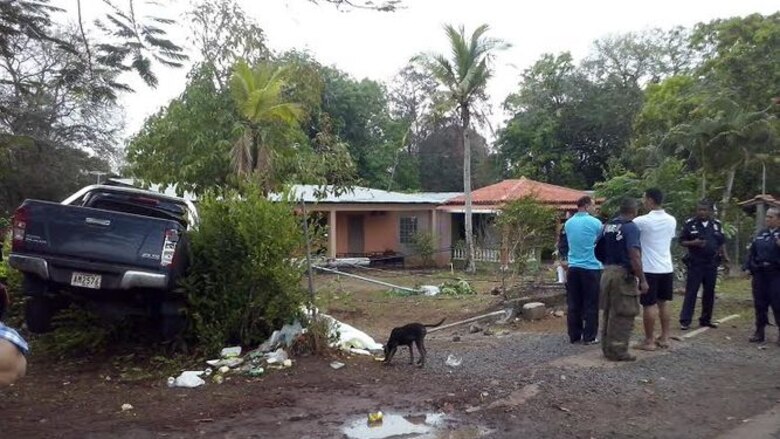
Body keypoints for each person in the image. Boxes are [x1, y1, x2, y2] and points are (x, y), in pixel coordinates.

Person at [596, 198, 648, 362]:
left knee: (609, 311)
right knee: (624, 312)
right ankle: (619, 350)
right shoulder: (630, 228)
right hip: (622, 274)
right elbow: (634, 255)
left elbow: (598, 249)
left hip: (607, 271)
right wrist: (642, 279)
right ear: (634, 211)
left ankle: (607, 348)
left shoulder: (608, 226)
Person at [633, 189, 677, 350]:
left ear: (651, 200)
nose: (643, 201)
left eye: (644, 198)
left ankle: (649, 340)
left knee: (649, 305)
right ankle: (665, 337)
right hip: (666, 267)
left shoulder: (641, 221)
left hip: (650, 268)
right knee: (663, 303)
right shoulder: (671, 220)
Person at [679, 200, 730, 330]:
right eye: (699, 209)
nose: (702, 212)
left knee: (709, 292)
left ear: (710, 211)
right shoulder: (690, 224)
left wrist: (725, 258)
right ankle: (685, 321)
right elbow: (682, 241)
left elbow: (721, 242)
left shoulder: (716, 225)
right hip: (696, 263)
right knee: (691, 292)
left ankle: (706, 319)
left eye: (705, 210)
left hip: (711, 264)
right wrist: (694, 243)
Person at [562, 196, 603, 345]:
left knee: (573, 303)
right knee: (591, 303)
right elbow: (601, 241)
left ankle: (574, 335)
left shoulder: (568, 223)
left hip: (573, 267)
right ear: (586, 206)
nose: (594, 208)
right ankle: (589, 336)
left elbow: (565, 243)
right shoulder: (596, 223)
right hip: (591, 267)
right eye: (593, 205)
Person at [743, 207, 780, 345]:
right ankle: (759, 331)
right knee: (760, 303)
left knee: (777, 304)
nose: (767, 219)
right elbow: (752, 252)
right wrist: (747, 267)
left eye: (771, 217)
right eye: (767, 217)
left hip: (776, 273)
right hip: (760, 273)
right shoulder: (761, 233)